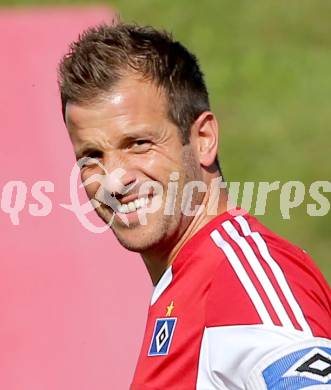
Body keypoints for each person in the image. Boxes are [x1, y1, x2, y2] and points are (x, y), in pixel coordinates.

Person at [58, 23, 331, 389]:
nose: (113, 180)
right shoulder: (187, 285)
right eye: (91, 156)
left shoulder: (241, 280)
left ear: (203, 139)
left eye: (138, 143)